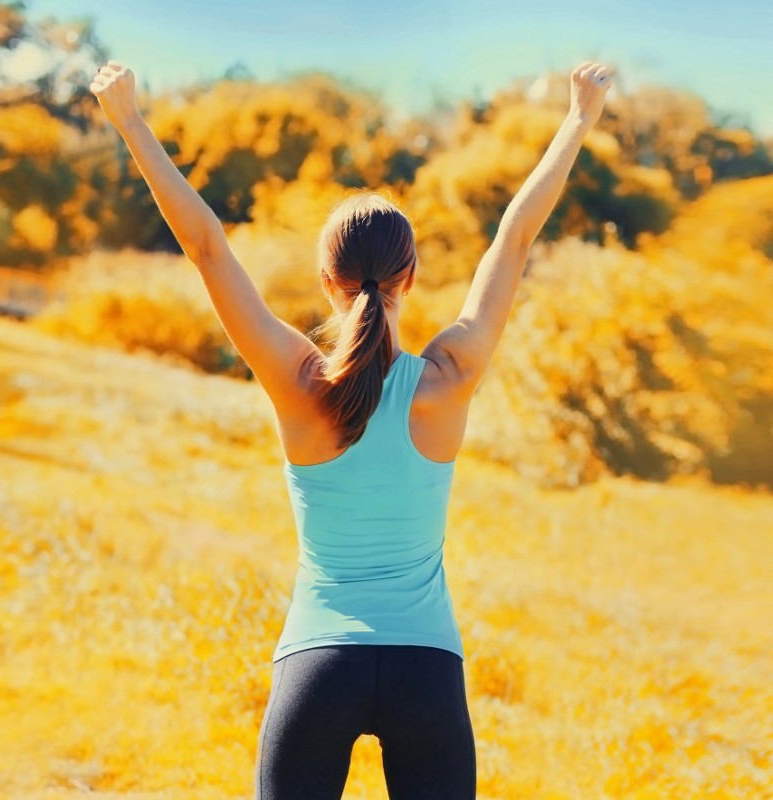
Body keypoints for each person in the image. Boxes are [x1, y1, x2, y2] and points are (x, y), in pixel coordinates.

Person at [90, 59, 611, 800]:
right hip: (426, 667)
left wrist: (131, 123)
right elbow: (515, 237)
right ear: (413, 275)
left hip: (317, 664)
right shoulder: (447, 379)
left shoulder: (299, 384)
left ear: (326, 281)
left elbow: (206, 246)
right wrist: (578, 119)